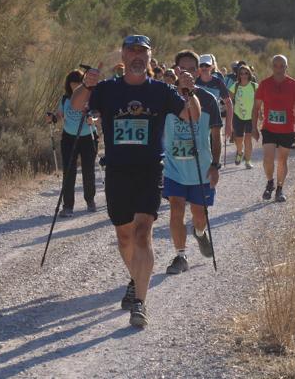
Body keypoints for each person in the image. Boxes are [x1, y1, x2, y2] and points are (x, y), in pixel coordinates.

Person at [71, 35, 200, 328]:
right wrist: (86, 85)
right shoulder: (106, 89)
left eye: (143, 51)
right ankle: (135, 276)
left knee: (143, 233)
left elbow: (191, 115)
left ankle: (140, 302)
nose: (137, 56)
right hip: (116, 171)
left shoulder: (162, 91)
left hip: (149, 170)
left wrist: (189, 92)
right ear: (123, 56)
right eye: (132, 51)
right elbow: (78, 105)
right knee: (124, 236)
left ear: (150, 56)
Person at [163, 50, 222, 274]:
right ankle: (180, 256)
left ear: (198, 71)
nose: (186, 72)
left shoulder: (208, 100)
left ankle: (199, 233)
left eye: (191, 68)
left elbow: (216, 136)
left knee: (199, 215)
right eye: (181, 68)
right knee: (176, 208)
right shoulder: (166, 96)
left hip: (201, 170)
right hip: (174, 168)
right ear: (176, 70)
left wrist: (215, 165)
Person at [251, 55, 295, 202]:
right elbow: (256, 107)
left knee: (282, 160)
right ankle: (270, 182)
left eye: (282, 66)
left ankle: (279, 190)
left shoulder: (293, 84)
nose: (279, 69)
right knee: (268, 158)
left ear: (286, 67)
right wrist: (254, 127)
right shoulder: (265, 84)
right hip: (269, 128)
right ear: (272, 67)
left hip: (287, 129)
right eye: (276, 65)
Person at [47, 69, 98, 217]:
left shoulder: (90, 97)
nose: (75, 87)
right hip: (69, 138)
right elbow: (59, 115)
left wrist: (92, 120)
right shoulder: (65, 99)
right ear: (68, 85)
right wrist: (52, 118)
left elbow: (97, 115)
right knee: (69, 172)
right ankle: (68, 206)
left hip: (88, 137)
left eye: (78, 83)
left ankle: (90, 200)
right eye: (72, 84)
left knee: (88, 170)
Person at [196, 54, 232, 139]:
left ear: (212, 66)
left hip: (214, 122)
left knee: (215, 150)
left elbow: (228, 103)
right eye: (202, 65)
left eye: (207, 65)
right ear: (199, 67)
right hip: (197, 122)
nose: (204, 68)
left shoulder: (218, 82)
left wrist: (228, 125)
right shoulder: (194, 81)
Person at [229, 65, 258, 169]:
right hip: (238, 116)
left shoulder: (255, 86)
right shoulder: (235, 86)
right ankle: (240, 152)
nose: (244, 75)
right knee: (239, 139)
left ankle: (248, 161)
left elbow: (259, 102)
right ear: (239, 75)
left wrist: (261, 113)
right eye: (241, 73)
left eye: (246, 73)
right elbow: (229, 102)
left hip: (251, 117)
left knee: (248, 139)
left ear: (249, 74)